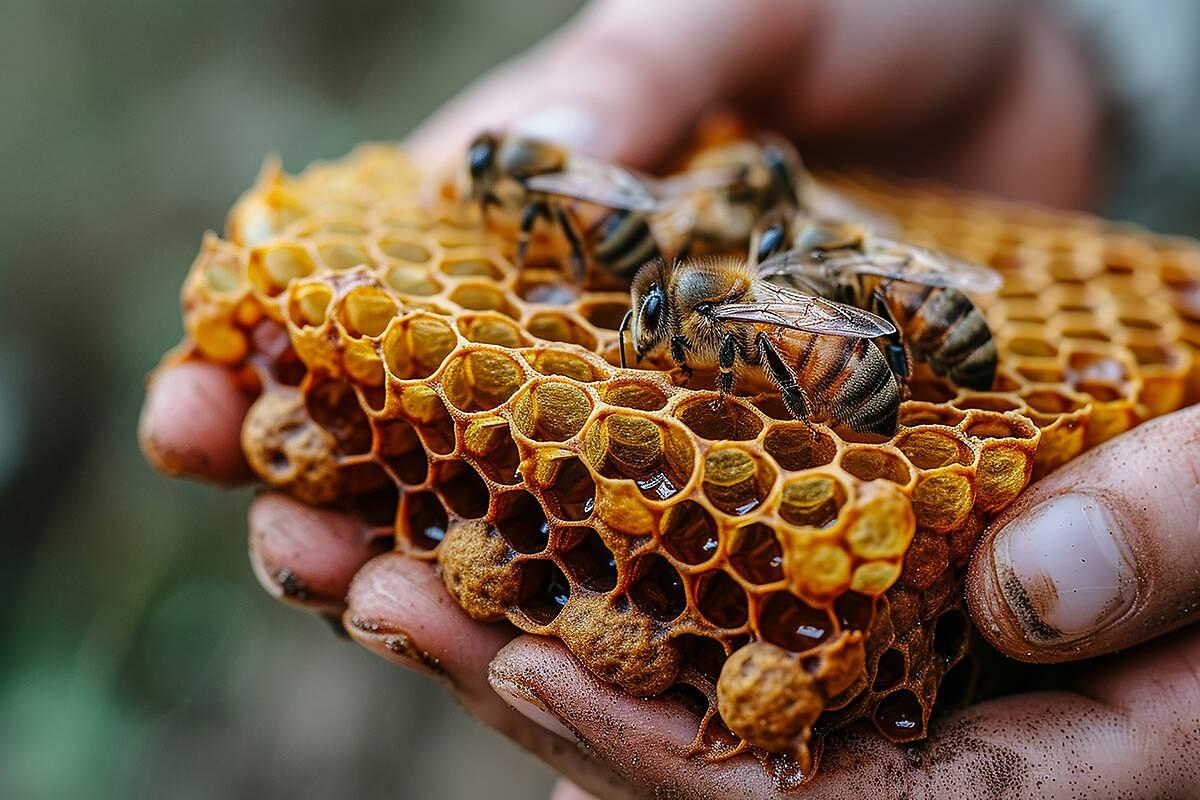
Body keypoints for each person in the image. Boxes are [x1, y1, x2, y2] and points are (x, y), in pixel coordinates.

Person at [139, 1, 1200, 797]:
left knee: (804, 365)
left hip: (888, 363)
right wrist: (1061, 47)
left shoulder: (742, 308)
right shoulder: (698, 273)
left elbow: (788, 343)